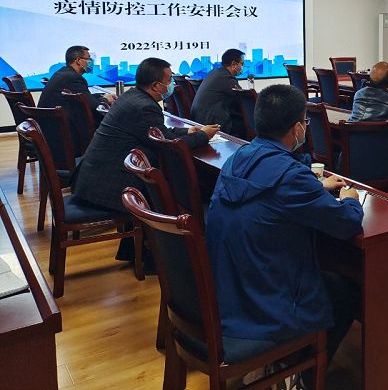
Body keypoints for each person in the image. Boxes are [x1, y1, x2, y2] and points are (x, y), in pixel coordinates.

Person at [205, 85, 363, 379]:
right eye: (305, 121)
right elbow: (346, 224)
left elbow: (270, 191)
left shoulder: (238, 158)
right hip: (266, 305)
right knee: (346, 291)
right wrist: (350, 200)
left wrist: (314, 185)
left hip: (227, 287)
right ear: (296, 128)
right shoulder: (290, 176)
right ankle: (302, 375)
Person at [72, 57, 218, 213]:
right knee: (189, 182)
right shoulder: (144, 107)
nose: (172, 85)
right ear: (155, 86)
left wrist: (187, 131)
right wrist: (203, 135)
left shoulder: (132, 96)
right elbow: (168, 145)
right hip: (108, 187)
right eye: (169, 80)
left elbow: (158, 132)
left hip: (93, 178)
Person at [39, 45, 116, 117]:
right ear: (78, 60)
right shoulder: (74, 78)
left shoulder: (63, 73)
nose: (91, 61)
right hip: (62, 125)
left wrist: (102, 95)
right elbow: (95, 107)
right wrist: (106, 100)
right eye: (88, 58)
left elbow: (83, 98)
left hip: (51, 121)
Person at [190, 48, 246, 138]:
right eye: (242, 64)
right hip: (211, 122)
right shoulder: (227, 78)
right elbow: (243, 101)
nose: (242, 67)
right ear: (234, 64)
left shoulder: (215, 72)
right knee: (247, 125)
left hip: (199, 118)